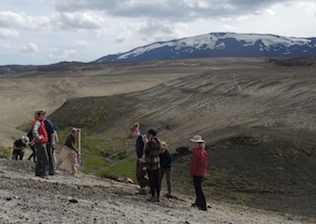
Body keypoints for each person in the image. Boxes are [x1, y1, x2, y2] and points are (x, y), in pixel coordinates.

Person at [130, 123, 149, 194]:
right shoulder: (138, 139)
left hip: (143, 159)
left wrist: (144, 156)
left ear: (135, 132)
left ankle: (153, 185)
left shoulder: (142, 137)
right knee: (138, 175)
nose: (131, 135)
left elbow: (146, 146)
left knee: (141, 175)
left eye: (132, 133)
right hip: (139, 158)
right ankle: (143, 188)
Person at [189, 135, 208, 211]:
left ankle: (203, 205)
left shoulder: (195, 152)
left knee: (198, 189)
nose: (193, 144)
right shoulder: (204, 151)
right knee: (198, 188)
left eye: (194, 143)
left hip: (197, 172)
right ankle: (198, 202)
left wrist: (191, 175)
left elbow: (193, 165)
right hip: (202, 172)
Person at [144, 129, 161, 202]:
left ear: (151, 135)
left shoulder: (150, 143)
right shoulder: (159, 142)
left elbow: (146, 152)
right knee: (157, 179)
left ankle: (153, 195)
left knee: (151, 179)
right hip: (157, 162)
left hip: (150, 162)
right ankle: (158, 195)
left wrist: (146, 143)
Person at [32, 110, 49, 179]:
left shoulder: (39, 122)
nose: (45, 117)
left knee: (39, 158)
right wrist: (39, 137)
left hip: (39, 143)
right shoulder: (38, 122)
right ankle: (44, 173)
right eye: (44, 115)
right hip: (41, 142)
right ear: (41, 115)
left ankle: (38, 172)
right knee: (45, 158)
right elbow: (34, 131)